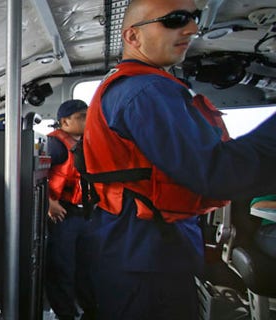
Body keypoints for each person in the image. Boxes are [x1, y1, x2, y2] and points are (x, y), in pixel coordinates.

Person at [79, 0, 276, 319]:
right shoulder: (148, 91)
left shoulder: (136, 87)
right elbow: (217, 172)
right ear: (133, 36)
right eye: (175, 20)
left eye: (194, 18)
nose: (193, 28)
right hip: (148, 251)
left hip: (138, 244)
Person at [45, 99, 96, 320]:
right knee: (62, 268)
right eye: (82, 116)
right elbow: (33, 174)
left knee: (86, 267)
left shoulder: (88, 142)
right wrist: (48, 203)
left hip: (87, 214)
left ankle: (90, 311)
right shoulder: (55, 145)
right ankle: (65, 314)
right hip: (63, 214)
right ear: (64, 121)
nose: (88, 120)